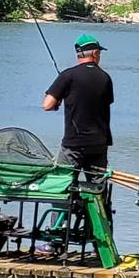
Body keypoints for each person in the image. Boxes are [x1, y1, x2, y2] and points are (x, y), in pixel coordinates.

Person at [42, 34, 114, 182]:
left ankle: (70, 198)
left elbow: (47, 105)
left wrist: (58, 102)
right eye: (99, 54)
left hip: (74, 144)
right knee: (97, 188)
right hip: (99, 143)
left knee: (62, 184)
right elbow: (104, 103)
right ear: (95, 53)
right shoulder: (105, 77)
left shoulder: (68, 76)